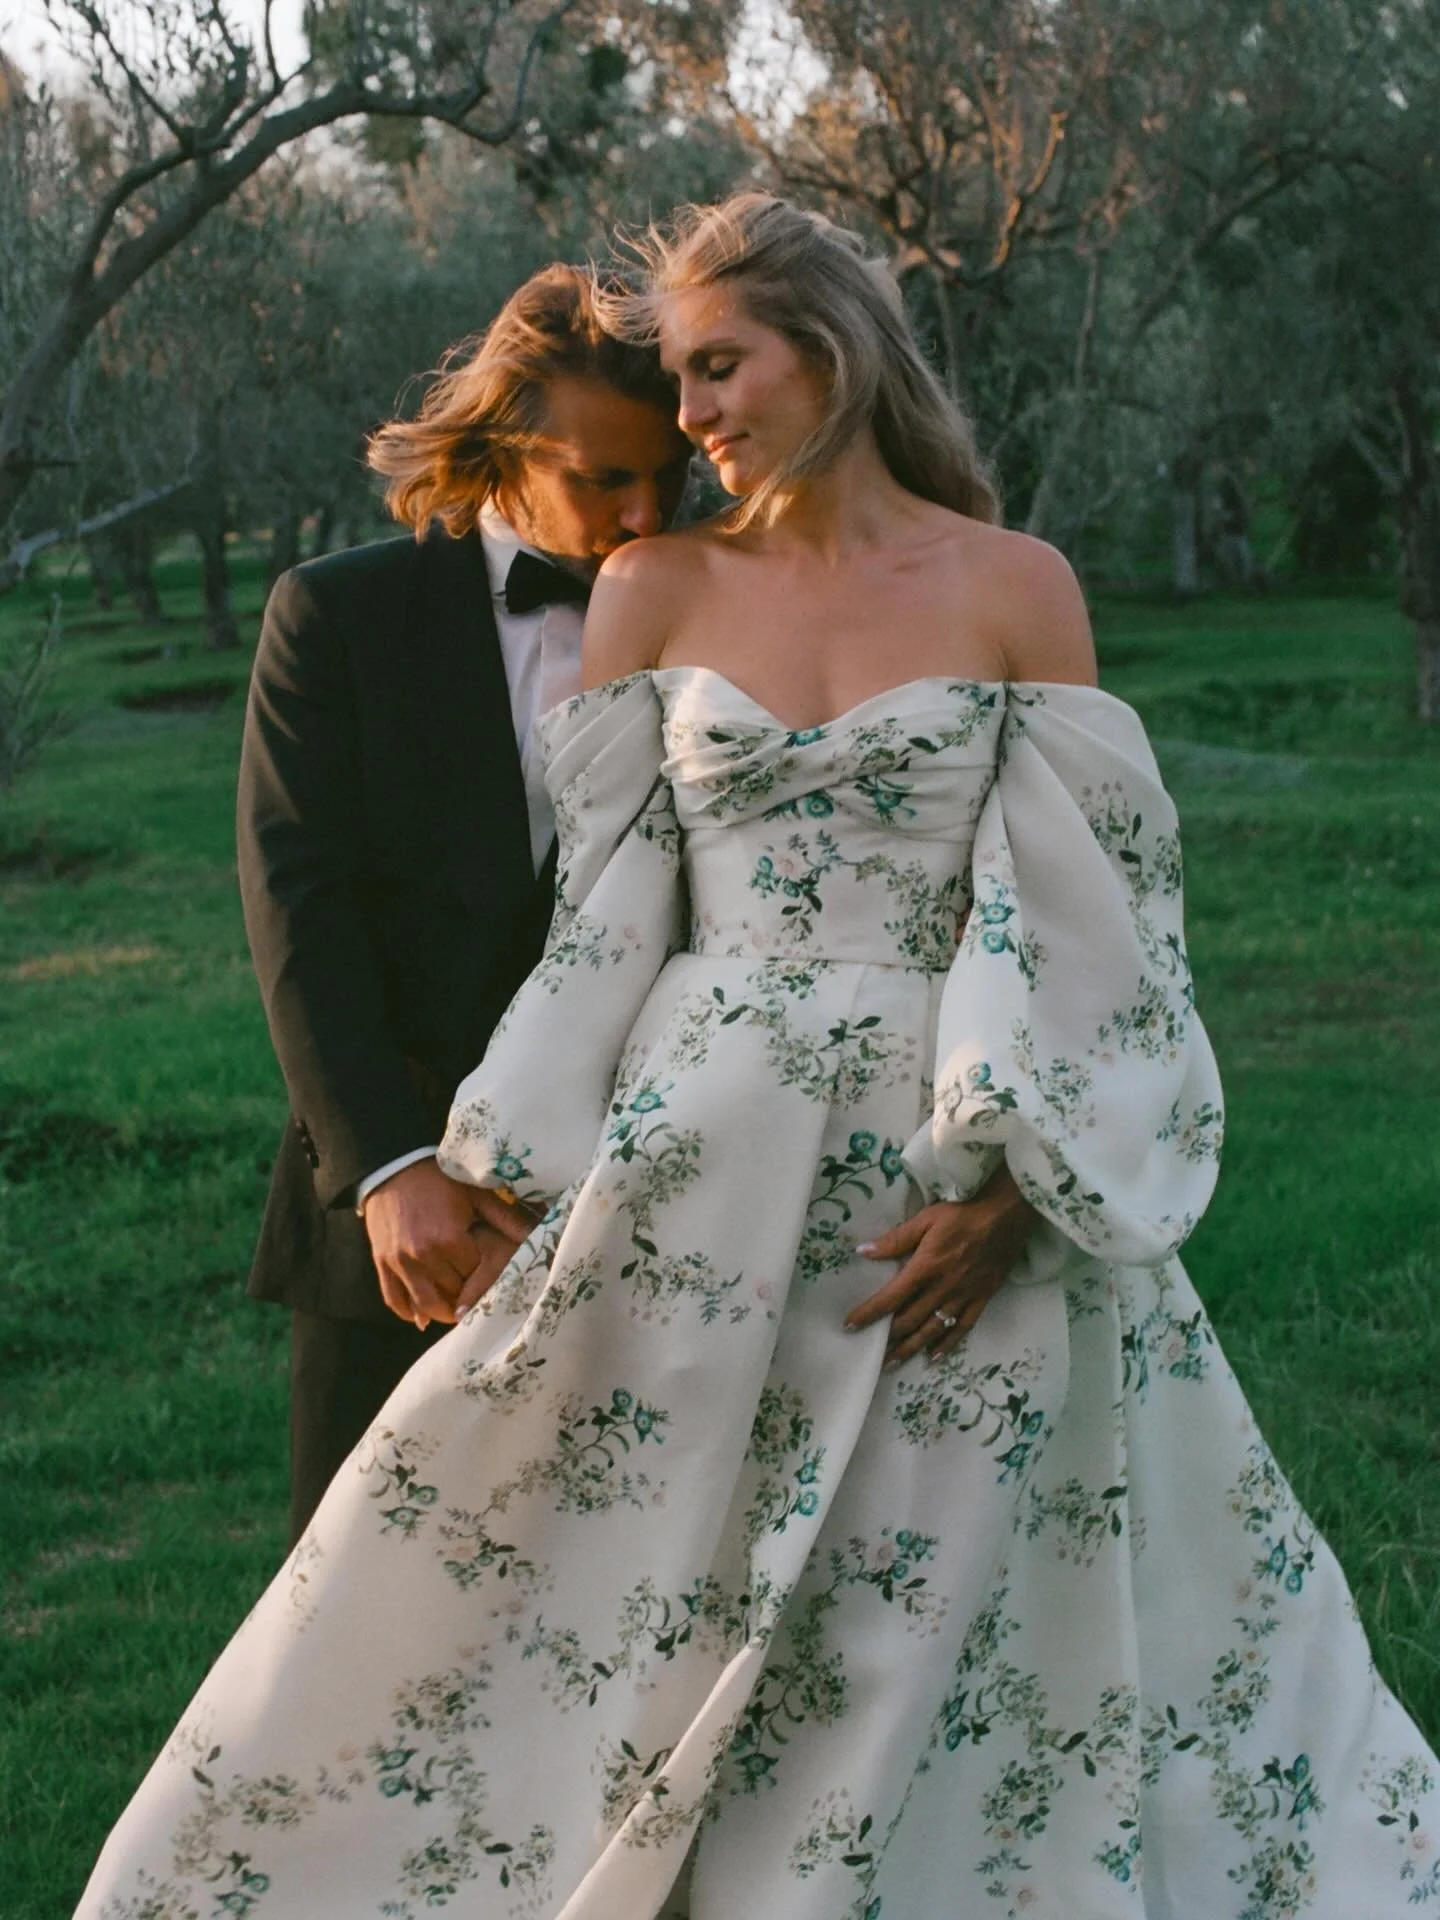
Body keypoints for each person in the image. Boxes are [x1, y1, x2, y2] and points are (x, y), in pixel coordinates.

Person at [79, 197, 1437, 1919]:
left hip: (944, 1175)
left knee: (939, 1595)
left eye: (720, 365)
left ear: (836, 343)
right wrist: (494, 1160)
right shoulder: (654, 587)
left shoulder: (1019, 587)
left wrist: (1024, 1184)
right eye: (677, 378)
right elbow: (603, 934)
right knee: (616, 1573)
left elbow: (1099, 929)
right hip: (696, 1153)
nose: (693, 414)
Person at [237, 264, 695, 1541]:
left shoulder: (718, 614)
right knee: (351, 1608)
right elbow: (298, 908)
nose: (645, 512)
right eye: (603, 479)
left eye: (668, 475)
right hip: (404, 1223)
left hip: (639, 1195)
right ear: (500, 444)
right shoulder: (336, 615)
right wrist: (390, 1167)